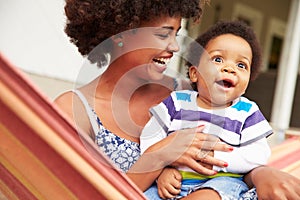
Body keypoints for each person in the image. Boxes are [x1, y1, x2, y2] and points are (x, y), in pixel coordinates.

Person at [54, 0, 300, 199]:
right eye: (163, 35)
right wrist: (161, 154)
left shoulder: (189, 94)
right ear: (121, 33)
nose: (174, 47)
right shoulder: (75, 110)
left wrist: (260, 174)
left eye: (176, 34)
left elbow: (224, 162)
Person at [140, 20, 272, 199]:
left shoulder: (246, 111)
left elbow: (258, 154)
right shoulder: (177, 102)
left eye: (241, 65)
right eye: (218, 59)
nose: (230, 68)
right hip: (173, 180)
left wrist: (216, 158)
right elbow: (151, 137)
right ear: (194, 73)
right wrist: (161, 170)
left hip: (220, 181)